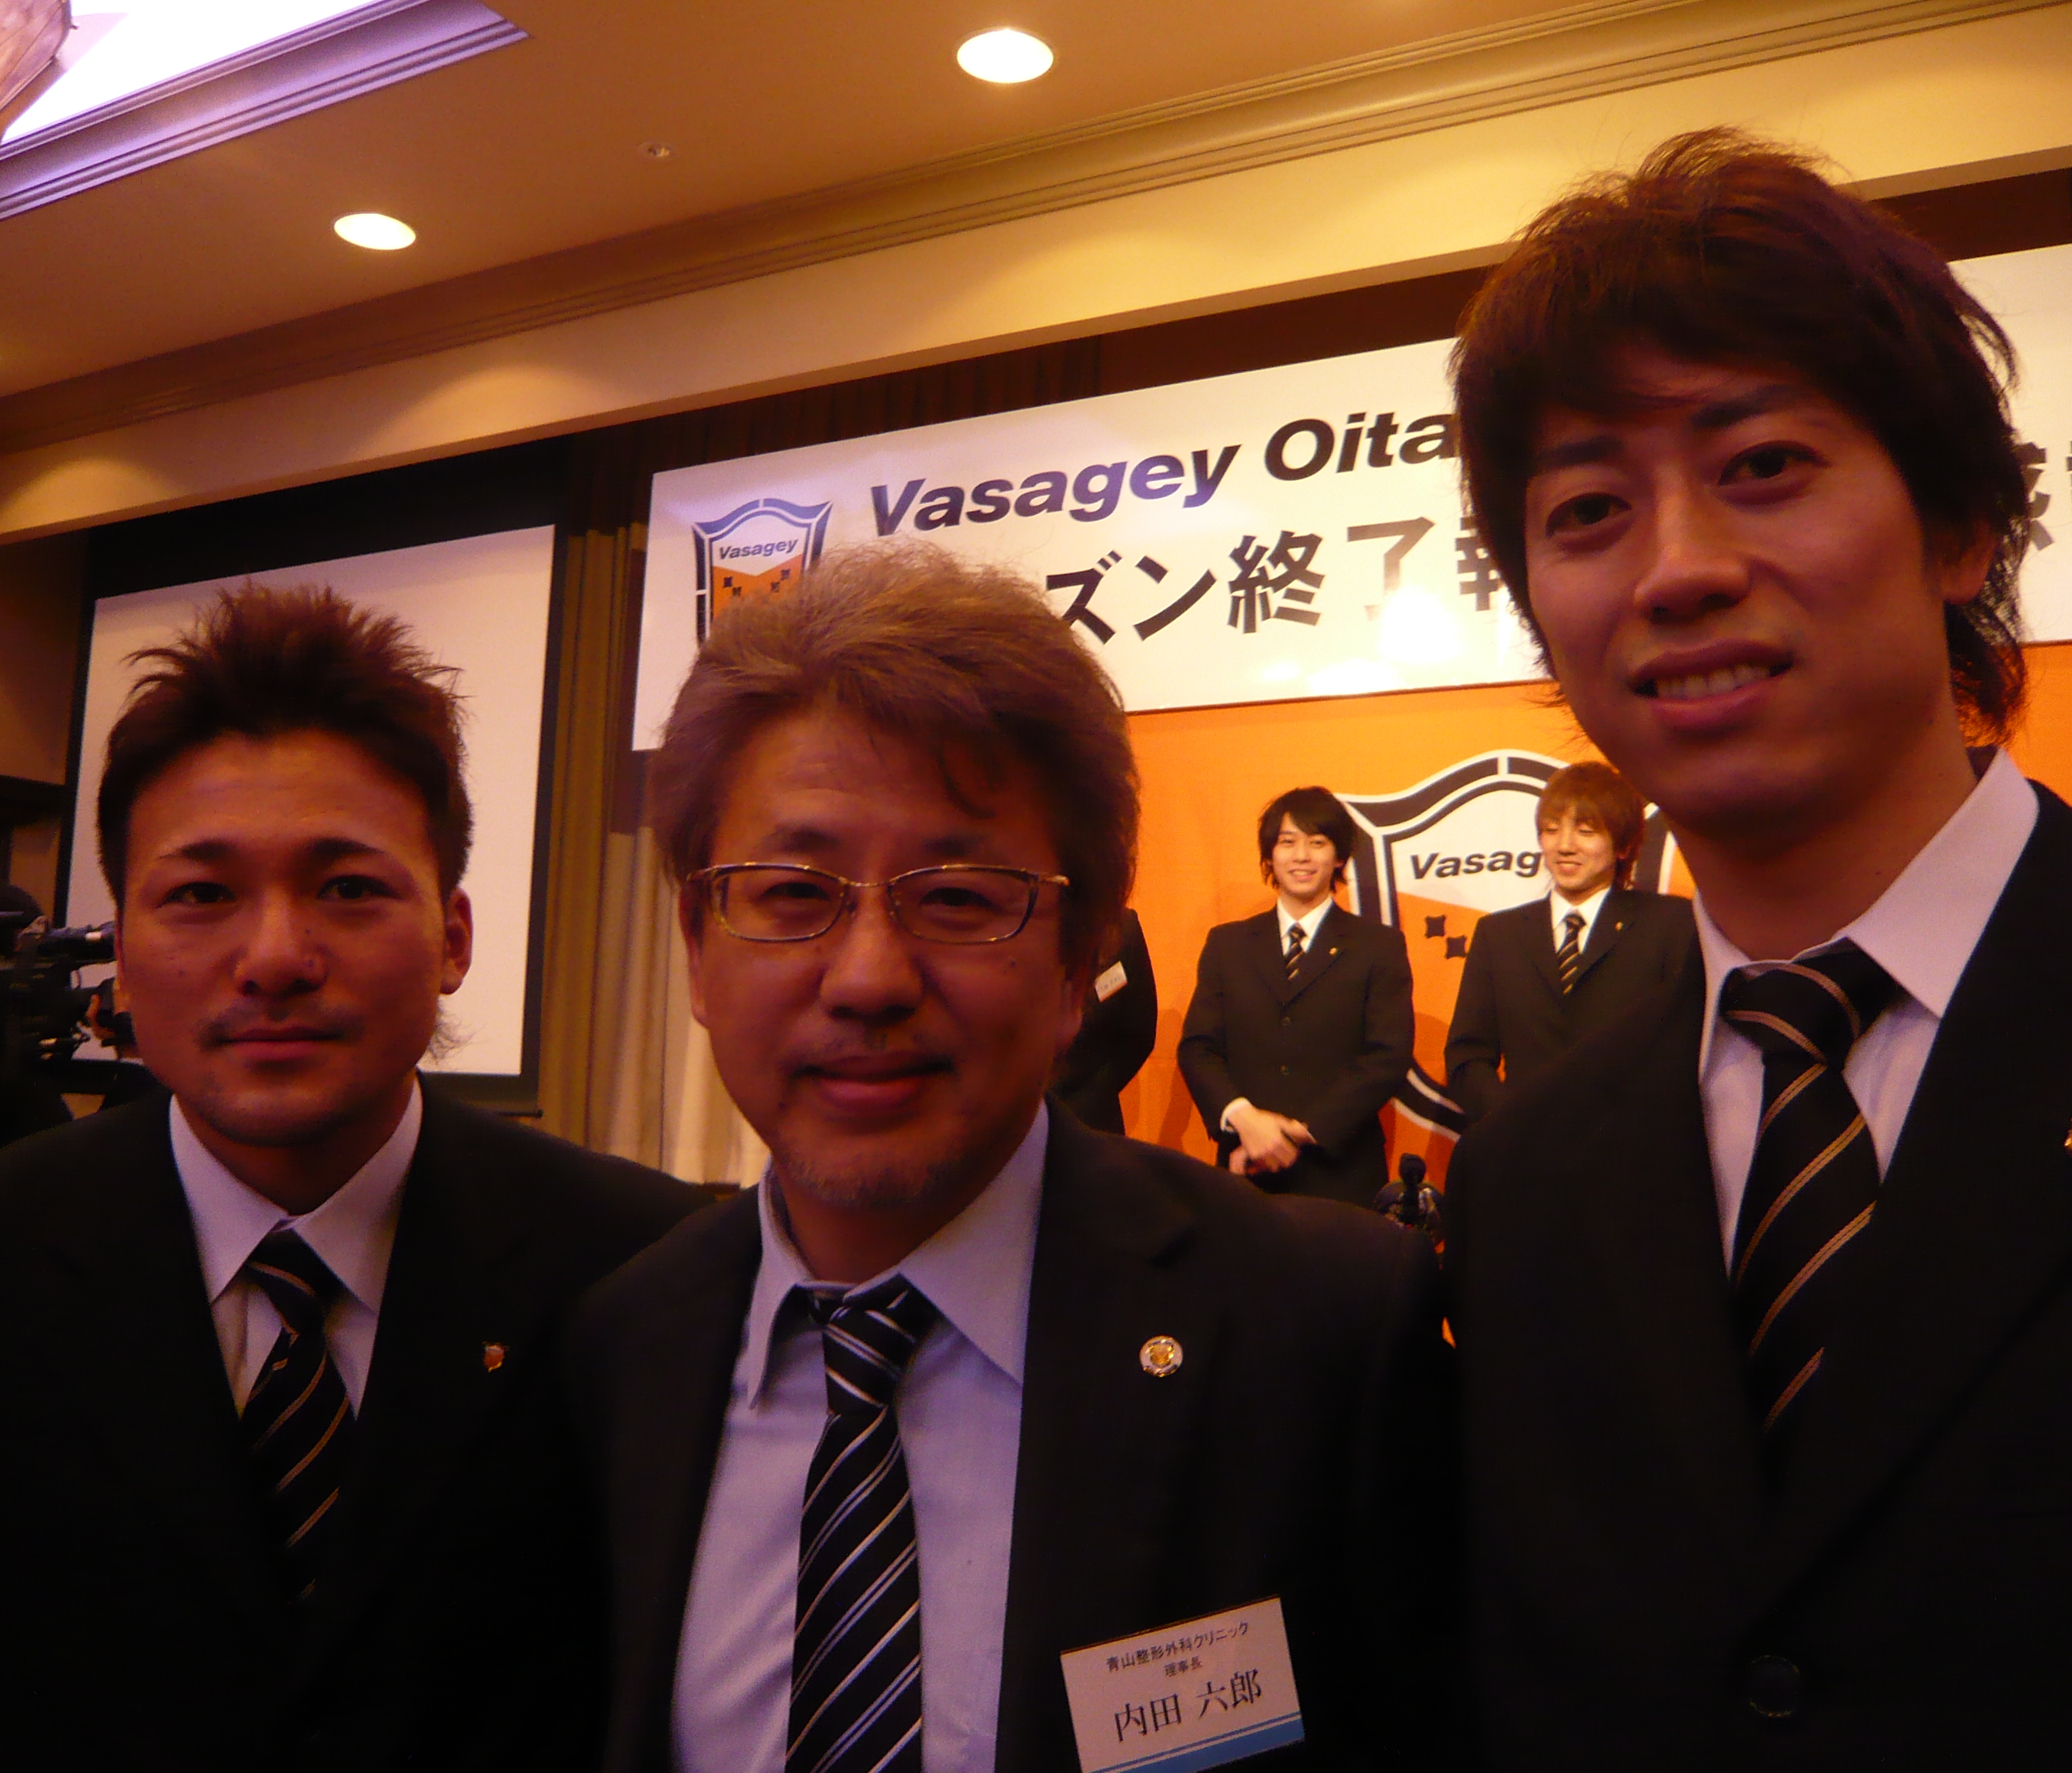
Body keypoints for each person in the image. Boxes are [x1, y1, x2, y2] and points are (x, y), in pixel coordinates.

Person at [1444, 128, 2072, 1768]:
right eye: (1588, 509)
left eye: (1763, 463)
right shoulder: (1531, 1171)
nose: (1680, 568)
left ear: (1963, 527)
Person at [566, 543, 1453, 1773]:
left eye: (959, 897)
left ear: (1080, 955)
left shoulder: (1316, 1333)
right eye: (791, 892)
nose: (868, 979)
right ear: (695, 944)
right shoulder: (616, 1354)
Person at [0, 587, 695, 1768]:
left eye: (349, 887)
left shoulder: (639, 1270)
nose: (274, 958)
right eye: (202, 895)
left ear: (454, 937)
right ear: (122, 953)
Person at [1177, 787, 1415, 1207]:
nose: (1301, 856)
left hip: (1342, 1173)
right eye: (1288, 842)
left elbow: (1387, 1056)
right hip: (1244, 1167)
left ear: (1339, 857)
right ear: (1270, 856)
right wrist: (1244, 1119)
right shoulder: (1227, 944)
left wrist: (1300, 1131)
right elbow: (1199, 1048)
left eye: (1317, 843)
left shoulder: (1378, 946)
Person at [1442, 760, 1694, 1125]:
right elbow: (1468, 1056)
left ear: (1623, 845)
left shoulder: (1669, 923)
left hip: (1631, 1145)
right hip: (1523, 1145)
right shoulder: (1498, 934)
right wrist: (1512, 1119)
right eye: (1551, 830)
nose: (1564, 846)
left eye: (1586, 831)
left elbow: (1686, 1049)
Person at [1047, 906, 1157, 1134]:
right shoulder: (1003, 924)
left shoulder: (1120, 927)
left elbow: (1139, 1035)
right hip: (1005, 1131)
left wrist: (1094, 1091)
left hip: (1092, 1120)